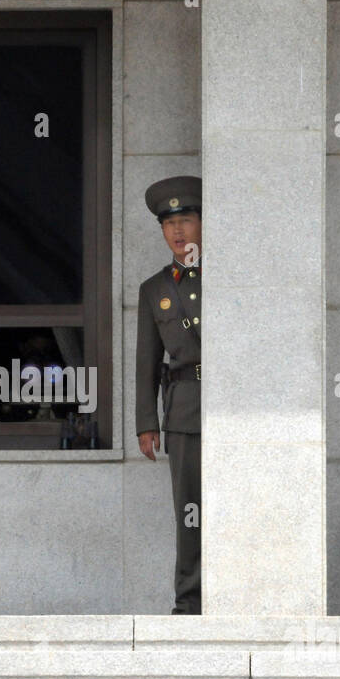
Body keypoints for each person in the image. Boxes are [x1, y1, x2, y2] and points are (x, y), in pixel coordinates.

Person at [135, 176, 202, 615]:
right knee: (189, 512)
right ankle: (191, 602)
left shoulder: (229, 277)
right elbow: (146, 360)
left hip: (232, 408)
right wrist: (146, 422)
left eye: (186, 220)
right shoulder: (154, 289)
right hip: (183, 411)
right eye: (169, 223)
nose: (177, 231)